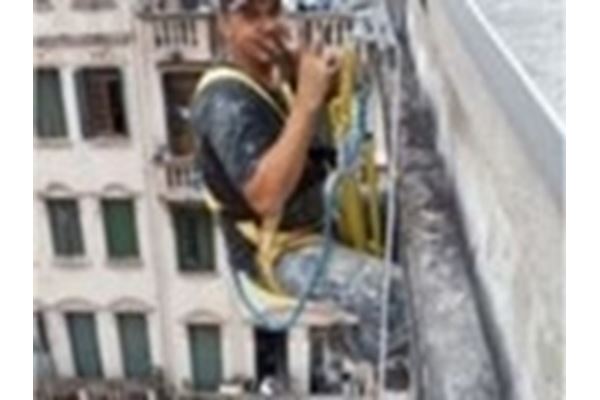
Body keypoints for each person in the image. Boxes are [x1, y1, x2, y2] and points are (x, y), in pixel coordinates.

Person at [190, 0, 409, 387]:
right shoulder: (225, 102)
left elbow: (326, 105)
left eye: (273, 11)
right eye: (250, 15)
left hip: (314, 214)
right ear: (224, 24)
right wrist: (307, 100)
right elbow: (266, 196)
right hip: (277, 253)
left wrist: (319, 77)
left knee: (407, 212)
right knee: (396, 299)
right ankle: (349, 346)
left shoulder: (272, 78)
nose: (266, 25)